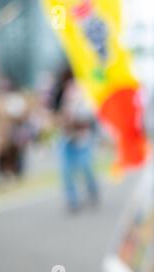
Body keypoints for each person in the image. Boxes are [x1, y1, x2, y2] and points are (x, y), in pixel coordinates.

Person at [52, 69, 100, 212]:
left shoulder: (84, 95)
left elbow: (89, 117)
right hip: (67, 139)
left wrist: (76, 117)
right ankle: (72, 201)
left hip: (82, 139)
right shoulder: (60, 95)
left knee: (86, 168)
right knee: (66, 171)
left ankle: (93, 190)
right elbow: (56, 116)